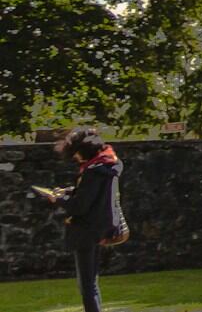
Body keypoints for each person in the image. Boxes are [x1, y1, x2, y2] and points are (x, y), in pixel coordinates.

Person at [48, 127, 124, 312]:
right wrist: (68, 191)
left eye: (76, 153)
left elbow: (80, 206)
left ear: (83, 151)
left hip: (86, 229)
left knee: (87, 286)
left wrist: (58, 199)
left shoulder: (92, 172)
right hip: (100, 226)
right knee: (91, 282)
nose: (75, 157)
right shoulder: (108, 166)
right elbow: (92, 194)